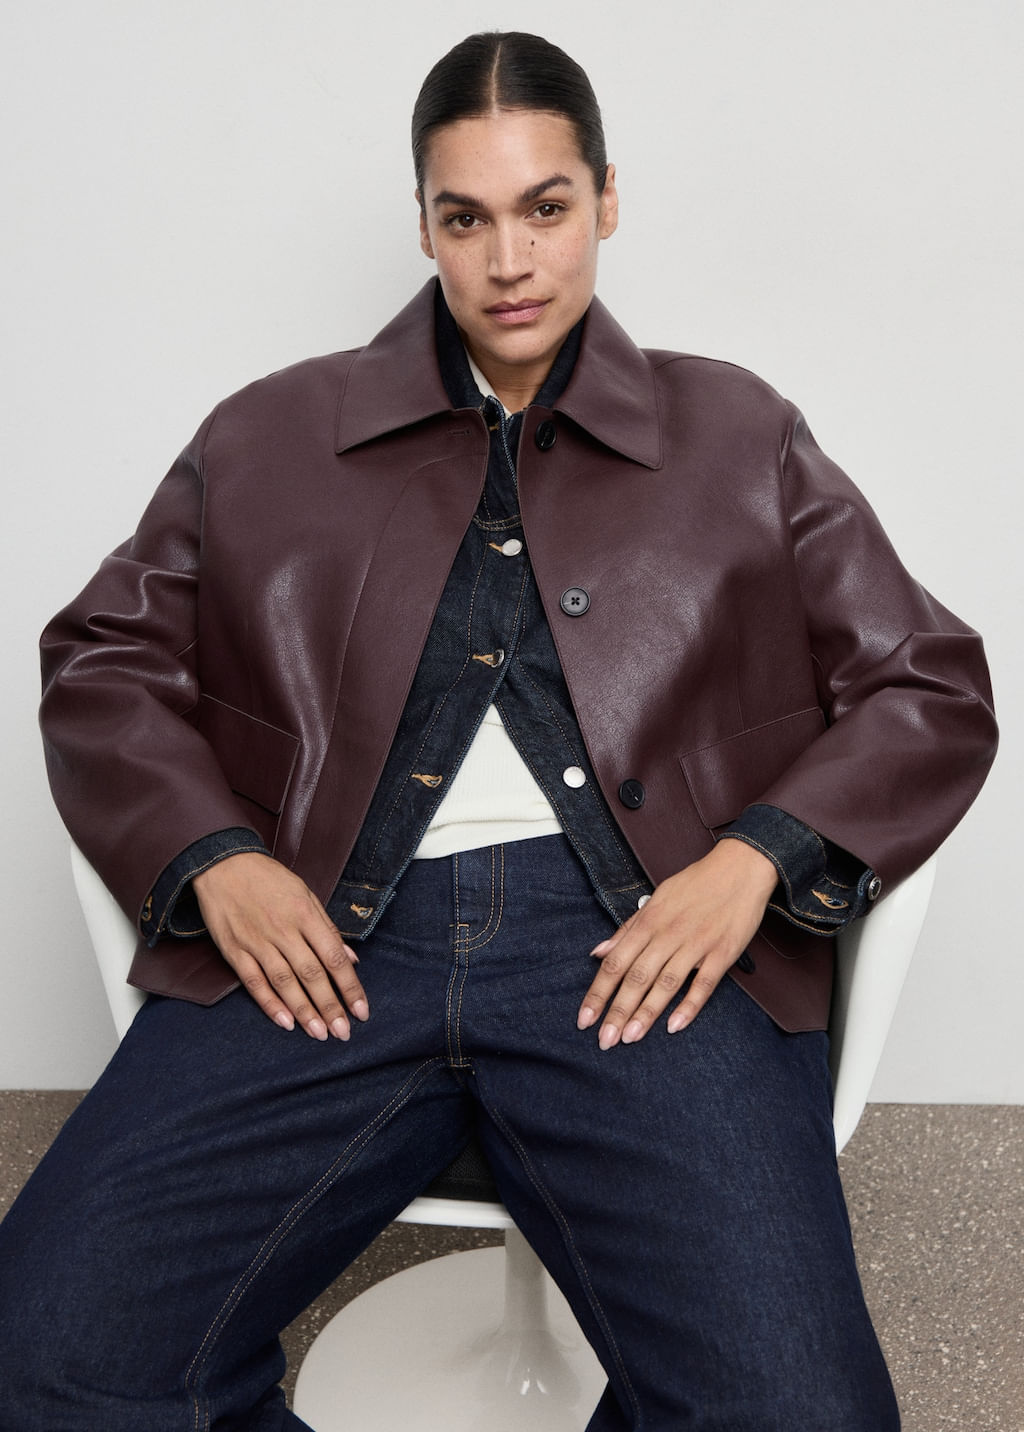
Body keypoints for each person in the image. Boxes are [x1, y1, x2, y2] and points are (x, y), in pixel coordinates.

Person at [0, 29, 996, 1432]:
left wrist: (752, 863)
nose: (509, 261)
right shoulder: (266, 433)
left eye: (545, 207)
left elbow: (928, 684)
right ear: (423, 226)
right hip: (327, 937)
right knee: (44, 1359)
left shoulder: (738, 431)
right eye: (465, 218)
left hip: (645, 944)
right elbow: (103, 661)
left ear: (607, 200)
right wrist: (215, 857)